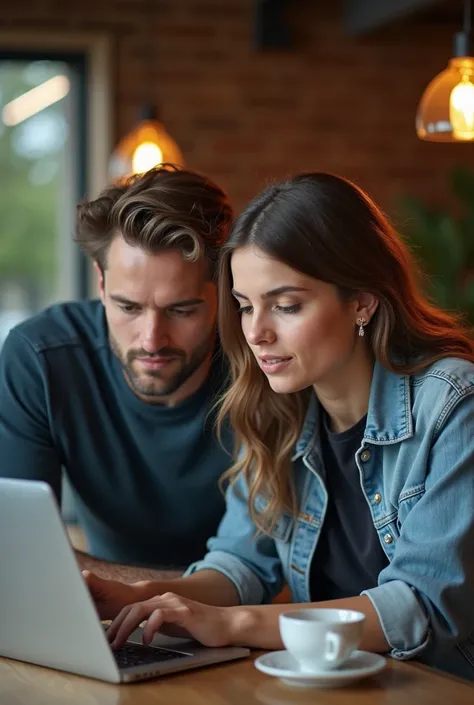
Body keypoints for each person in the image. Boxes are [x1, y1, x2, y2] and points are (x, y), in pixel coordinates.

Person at [84, 173, 474, 680]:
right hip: (335, 688)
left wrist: (232, 623)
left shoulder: (453, 406)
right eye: (245, 306)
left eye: (286, 306)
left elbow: (421, 605)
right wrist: (145, 598)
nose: (256, 332)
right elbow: (241, 564)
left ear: (361, 300)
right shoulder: (279, 410)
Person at [0, 166, 234, 580]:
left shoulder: (265, 365)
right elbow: (19, 550)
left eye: (181, 310)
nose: (151, 340)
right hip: (101, 618)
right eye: (128, 307)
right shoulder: (41, 359)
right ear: (101, 284)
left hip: (247, 625)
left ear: (226, 290)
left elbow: (289, 573)